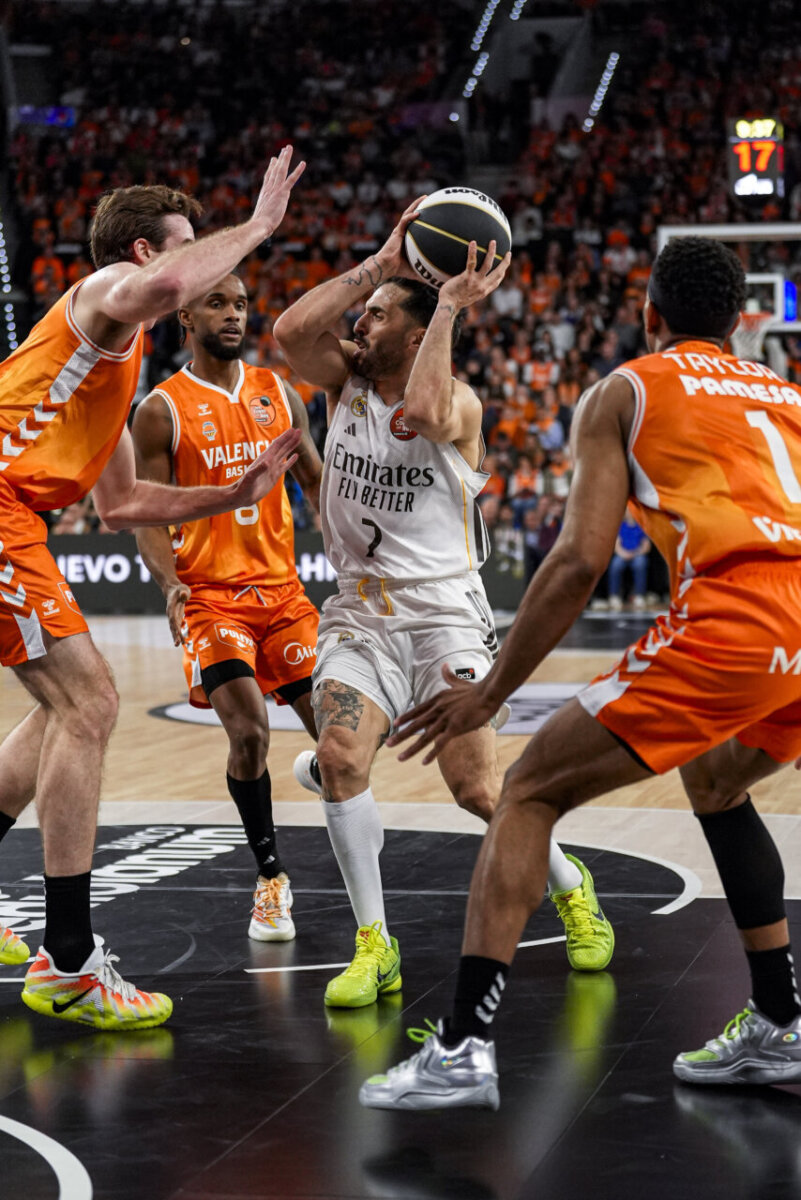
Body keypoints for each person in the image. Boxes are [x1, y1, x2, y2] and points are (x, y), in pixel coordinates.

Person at [360, 235, 801, 1110]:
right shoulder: (787, 393)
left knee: (525, 792)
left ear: (648, 315)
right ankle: (780, 1024)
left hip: (738, 613)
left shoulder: (627, 387)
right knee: (715, 781)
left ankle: (462, 1047)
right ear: (743, 320)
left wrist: (490, 692)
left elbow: (575, 562)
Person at [273, 200, 614, 1011]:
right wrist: (382, 261)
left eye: (379, 314)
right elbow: (290, 334)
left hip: (445, 617)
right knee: (344, 760)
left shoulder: (457, 403)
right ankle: (374, 944)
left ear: (418, 329)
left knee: (478, 792)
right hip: (358, 612)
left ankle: (570, 884)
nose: (361, 320)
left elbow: (421, 411)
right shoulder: (342, 384)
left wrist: (448, 305)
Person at [0, 146, 305, 1029]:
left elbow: (124, 503)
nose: (197, 259)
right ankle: (68, 962)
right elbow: (170, 288)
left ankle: (60, 951)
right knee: (90, 705)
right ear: (142, 252)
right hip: (3, 505)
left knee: (58, 711)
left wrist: (235, 492)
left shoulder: (118, 362)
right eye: (182, 243)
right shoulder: (100, 295)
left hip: (22, 517)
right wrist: (257, 227)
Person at [132, 272, 322, 944]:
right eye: (217, 303)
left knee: (341, 736)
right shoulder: (161, 409)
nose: (234, 315)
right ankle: (271, 880)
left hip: (284, 594)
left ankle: (324, 768)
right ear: (185, 313)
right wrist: (169, 583)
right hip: (212, 599)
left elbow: (318, 485)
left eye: (241, 304)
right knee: (248, 735)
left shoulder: (279, 394)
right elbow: (146, 511)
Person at [607, 512, 651, 610]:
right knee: (615, 565)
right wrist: (623, 554)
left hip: (637, 554)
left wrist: (636, 553)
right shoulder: (620, 526)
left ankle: (639, 596)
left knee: (640, 564)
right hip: (623, 554)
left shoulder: (641, 526)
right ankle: (614, 596)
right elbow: (616, 545)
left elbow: (646, 546)